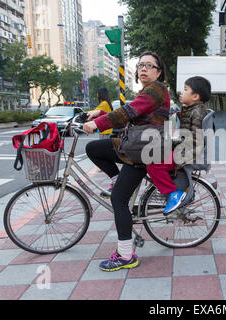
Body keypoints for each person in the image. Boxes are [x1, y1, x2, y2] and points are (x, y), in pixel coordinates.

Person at [83, 51, 170, 271]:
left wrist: (99, 124)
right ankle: (115, 178)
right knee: (93, 148)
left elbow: (129, 111)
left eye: (149, 65)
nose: (143, 69)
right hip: (134, 146)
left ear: (159, 72)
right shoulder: (148, 91)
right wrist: (97, 115)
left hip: (141, 152)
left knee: (118, 201)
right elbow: (132, 117)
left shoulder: (157, 89)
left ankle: (125, 255)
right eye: (141, 65)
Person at [146, 76, 210, 215]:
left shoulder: (196, 112)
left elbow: (194, 139)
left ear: (195, 96)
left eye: (185, 89)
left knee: (152, 163)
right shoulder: (190, 109)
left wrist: (177, 150)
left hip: (187, 155)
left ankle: (173, 194)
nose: (182, 92)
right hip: (185, 151)